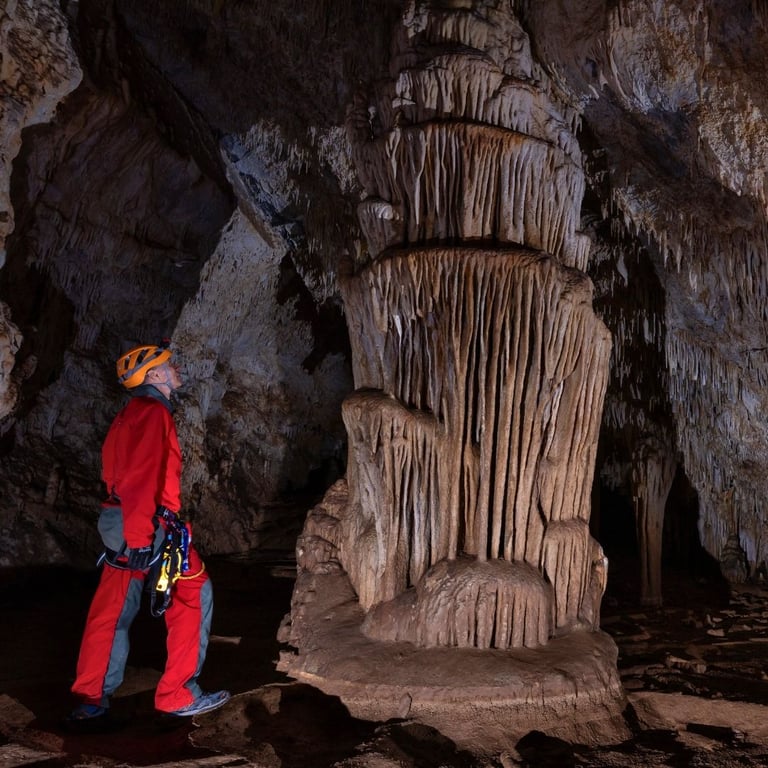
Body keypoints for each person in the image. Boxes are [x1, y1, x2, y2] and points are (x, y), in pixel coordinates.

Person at [68, 342, 230, 721]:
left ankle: (90, 697)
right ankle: (177, 694)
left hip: (120, 523)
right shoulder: (153, 413)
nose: (176, 370)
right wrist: (141, 537)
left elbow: (116, 475)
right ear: (154, 376)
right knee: (193, 589)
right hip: (147, 525)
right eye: (168, 365)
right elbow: (141, 478)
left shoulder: (128, 414)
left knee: (111, 609)